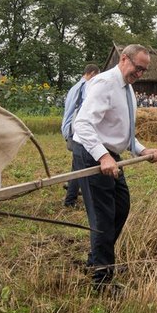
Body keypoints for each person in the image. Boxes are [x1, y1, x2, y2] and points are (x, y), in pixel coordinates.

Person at [71, 44, 157, 290]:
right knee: (102, 216)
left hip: (110, 154)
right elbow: (82, 124)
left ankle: (98, 260)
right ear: (124, 59)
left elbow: (122, 131)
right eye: (138, 68)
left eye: (144, 70)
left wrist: (143, 150)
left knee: (121, 207)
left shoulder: (127, 88)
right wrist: (103, 156)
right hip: (92, 153)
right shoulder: (105, 84)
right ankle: (101, 279)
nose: (140, 74)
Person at [60, 63, 100, 208]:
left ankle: (72, 187)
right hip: (77, 130)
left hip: (70, 128)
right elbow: (86, 110)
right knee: (80, 165)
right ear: (92, 73)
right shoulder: (85, 88)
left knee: (77, 163)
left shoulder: (74, 87)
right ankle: (70, 200)